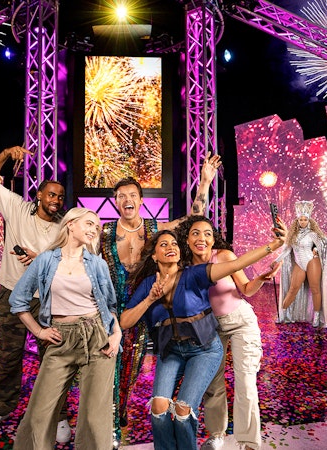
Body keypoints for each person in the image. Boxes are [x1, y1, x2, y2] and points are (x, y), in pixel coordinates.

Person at [119, 225, 286, 449]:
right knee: (159, 406)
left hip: (206, 344)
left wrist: (272, 246)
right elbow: (125, 321)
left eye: (174, 244)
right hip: (172, 349)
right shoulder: (149, 284)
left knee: (185, 407)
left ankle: (245, 442)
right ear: (154, 254)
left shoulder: (194, 274)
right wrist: (149, 300)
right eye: (164, 245)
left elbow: (237, 265)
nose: (171, 247)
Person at [101, 153, 220, 438]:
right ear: (116, 201)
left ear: (141, 200)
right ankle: (110, 422)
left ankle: (123, 407)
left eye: (132, 194)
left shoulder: (156, 230)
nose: (126, 199)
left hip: (144, 305)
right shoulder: (104, 232)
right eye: (120, 195)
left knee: (132, 365)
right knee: (107, 364)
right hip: (109, 309)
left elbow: (193, 217)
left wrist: (204, 182)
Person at [0, 145, 73, 443]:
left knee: (54, 360)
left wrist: (42, 259)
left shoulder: (64, 227)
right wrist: (5, 153)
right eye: (51, 194)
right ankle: (1, 408)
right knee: (8, 356)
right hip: (13, 296)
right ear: (39, 196)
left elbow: (71, 261)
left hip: (48, 300)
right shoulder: (18, 208)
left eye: (60, 196)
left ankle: (57, 413)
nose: (56, 200)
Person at [10, 207, 121, 449]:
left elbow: (111, 306)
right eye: (89, 223)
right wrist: (39, 332)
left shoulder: (98, 264)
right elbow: (18, 300)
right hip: (61, 338)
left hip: (97, 337)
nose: (94, 229)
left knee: (95, 416)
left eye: (97, 227)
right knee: (39, 413)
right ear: (70, 224)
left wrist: (116, 334)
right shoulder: (46, 260)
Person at [176, 215, 279, 450]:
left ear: (214, 240)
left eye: (207, 234)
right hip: (210, 327)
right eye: (195, 233)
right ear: (187, 238)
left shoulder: (224, 256)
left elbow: (246, 289)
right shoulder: (184, 266)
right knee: (213, 383)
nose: (201, 238)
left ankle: (249, 441)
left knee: (245, 381)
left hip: (241, 321)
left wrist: (261, 279)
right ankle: (216, 435)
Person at [274, 200, 327, 328]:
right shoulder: (292, 235)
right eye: (301, 220)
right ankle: (283, 314)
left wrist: (317, 249)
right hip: (299, 264)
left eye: (305, 220)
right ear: (297, 221)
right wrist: (276, 261)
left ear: (309, 221)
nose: (303, 222)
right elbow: (287, 250)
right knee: (293, 289)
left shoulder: (313, 234)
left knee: (315, 289)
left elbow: (326, 244)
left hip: (312, 262)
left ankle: (316, 316)